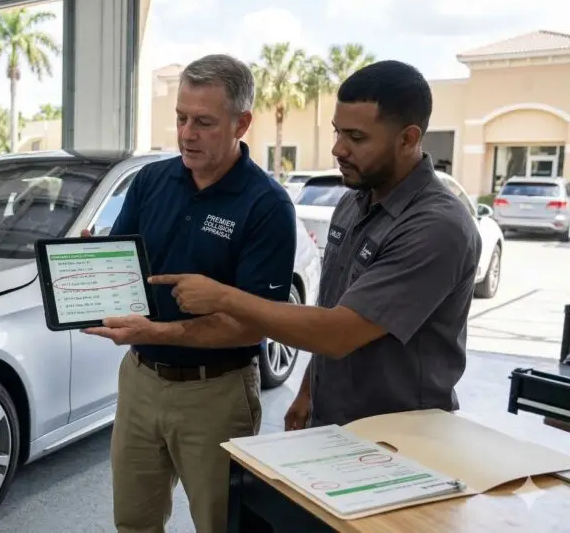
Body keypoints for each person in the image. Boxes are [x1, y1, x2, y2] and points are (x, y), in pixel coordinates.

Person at [149, 59, 483, 431]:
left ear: (408, 138)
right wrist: (309, 389)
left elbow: (338, 332)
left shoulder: (436, 227)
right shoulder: (353, 203)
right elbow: (332, 309)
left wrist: (223, 298)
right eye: (337, 132)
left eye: (356, 138)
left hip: (400, 434)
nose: (338, 149)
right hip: (333, 421)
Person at [81, 54, 297, 533]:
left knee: (219, 523)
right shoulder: (152, 181)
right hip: (139, 381)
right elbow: (123, 267)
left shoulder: (266, 206)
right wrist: (87, 272)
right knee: (133, 522)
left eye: (203, 122)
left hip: (215, 393)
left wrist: (157, 329)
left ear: (242, 123)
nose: (186, 133)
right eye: (180, 118)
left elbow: (251, 323)